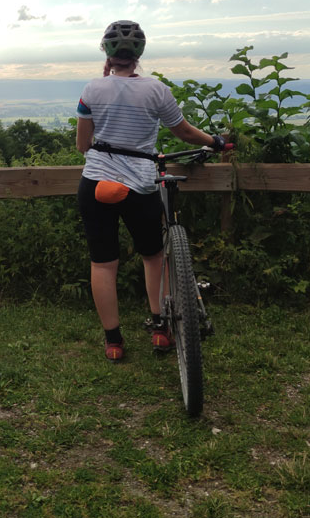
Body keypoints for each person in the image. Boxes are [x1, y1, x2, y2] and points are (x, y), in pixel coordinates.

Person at [75, 20, 226, 362]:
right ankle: (160, 328)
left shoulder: (91, 89)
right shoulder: (157, 90)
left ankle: (113, 341)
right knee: (153, 256)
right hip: (141, 186)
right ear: (139, 53)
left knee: (103, 263)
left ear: (107, 53)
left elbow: (83, 145)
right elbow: (185, 133)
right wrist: (214, 142)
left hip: (97, 184)